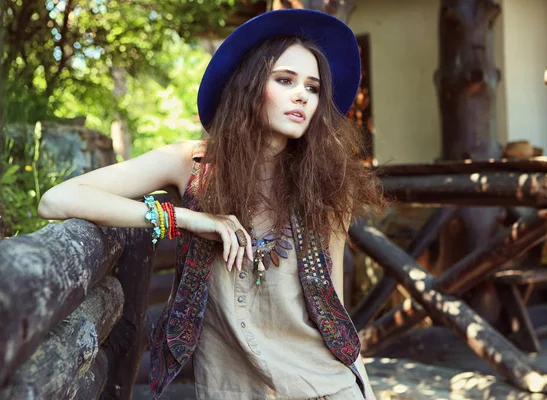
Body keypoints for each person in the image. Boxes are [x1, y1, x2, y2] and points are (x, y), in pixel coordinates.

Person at [39, 8, 384, 400]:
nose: (301, 96)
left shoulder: (325, 185)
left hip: (323, 385)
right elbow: (57, 199)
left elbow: (334, 312)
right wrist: (184, 218)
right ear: (251, 86)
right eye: (285, 80)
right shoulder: (192, 163)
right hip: (231, 386)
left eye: (313, 87)